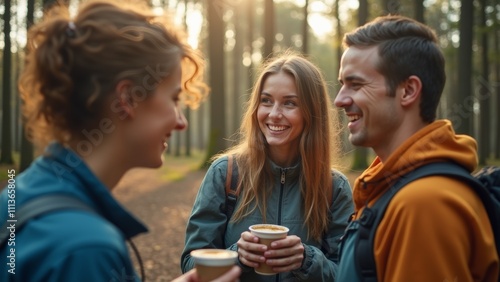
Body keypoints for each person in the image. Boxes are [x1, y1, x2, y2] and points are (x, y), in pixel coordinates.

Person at [0, 0, 241, 281]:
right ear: (127, 98)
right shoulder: (86, 249)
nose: (181, 121)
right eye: (174, 99)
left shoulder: (19, 193)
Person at [334, 15, 499, 281]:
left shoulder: (424, 204)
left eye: (356, 84)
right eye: (342, 84)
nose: (339, 100)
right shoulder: (390, 185)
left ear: (408, 91)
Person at [180, 52, 354, 282]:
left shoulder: (334, 187)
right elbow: (191, 264)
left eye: (289, 103)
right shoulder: (226, 174)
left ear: (312, 113)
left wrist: (308, 260)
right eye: (266, 100)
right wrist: (237, 256)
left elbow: (348, 274)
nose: (274, 114)